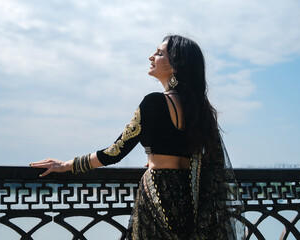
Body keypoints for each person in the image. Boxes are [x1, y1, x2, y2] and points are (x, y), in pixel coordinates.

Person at [30, 35, 245, 239]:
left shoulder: (154, 103)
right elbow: (204, 157)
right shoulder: (201, 110)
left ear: (175, 65)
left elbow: (114, 152)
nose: (151, 57)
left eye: (159, 53)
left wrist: (68, 165)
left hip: (159, 192)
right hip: (189, 198)